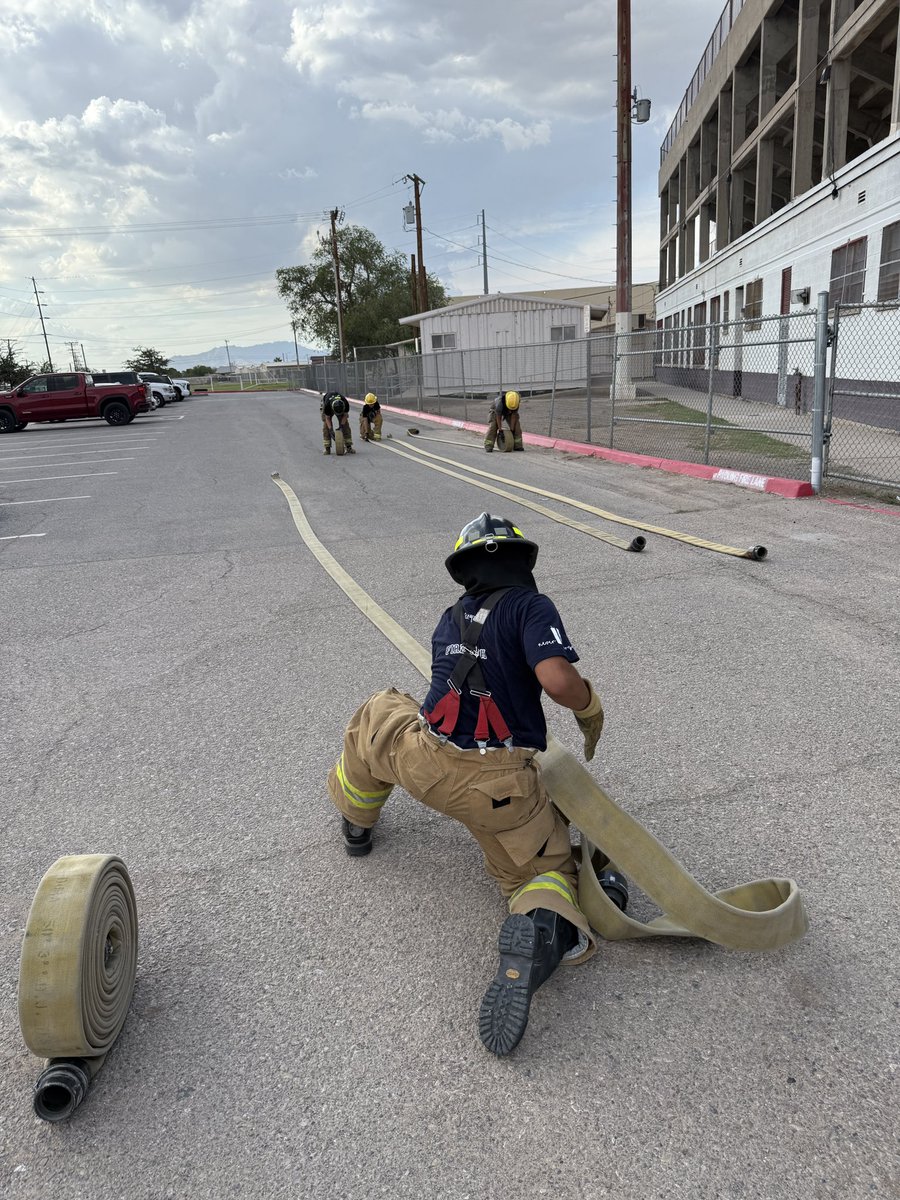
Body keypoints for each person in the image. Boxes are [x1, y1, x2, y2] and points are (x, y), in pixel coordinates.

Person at [327, 512, 622, 1057]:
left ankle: (357, 824)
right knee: (544, 873)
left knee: (376, 716)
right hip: (497, 789)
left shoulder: (451, 616)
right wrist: (589, 706)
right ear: (522, 563)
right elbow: (556, 678)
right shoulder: (532, 606)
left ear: (466, 570)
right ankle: (537, 933)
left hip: (424, 759)